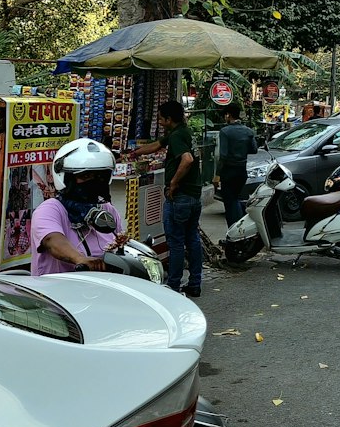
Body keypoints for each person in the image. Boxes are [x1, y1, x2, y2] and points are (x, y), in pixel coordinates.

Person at [133, 100, 204, 297]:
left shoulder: (177, 136)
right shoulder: (182, 132)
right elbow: (156, 145)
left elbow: (187, 159)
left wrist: (173, 182)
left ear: (169, 119)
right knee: (192, 240)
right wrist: (136, 152)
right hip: (193, 197)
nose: (159, 121)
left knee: (176, 242)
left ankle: (173, 286)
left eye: (161, 118)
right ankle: (195, 283)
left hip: (180, 197)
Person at [30, 139, 123, 275]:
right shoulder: (50, 209)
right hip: (57, 290)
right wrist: (79, 259)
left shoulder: (107, 209)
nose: (93, 182)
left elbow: (121, 244)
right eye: (85, 176)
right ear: (66, 178)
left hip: (102, 287)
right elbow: (52, 240)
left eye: (99, 177)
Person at [212, 102, 258, 227]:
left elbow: (223, 156)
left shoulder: (225, 131)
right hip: (242, 171)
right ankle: (241, 227)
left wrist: (217, 175)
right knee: (236, 199)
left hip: (229, 171)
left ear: (228, 115)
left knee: (230, 202)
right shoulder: (248, 131)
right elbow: (254, 149)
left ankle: (234, 231)